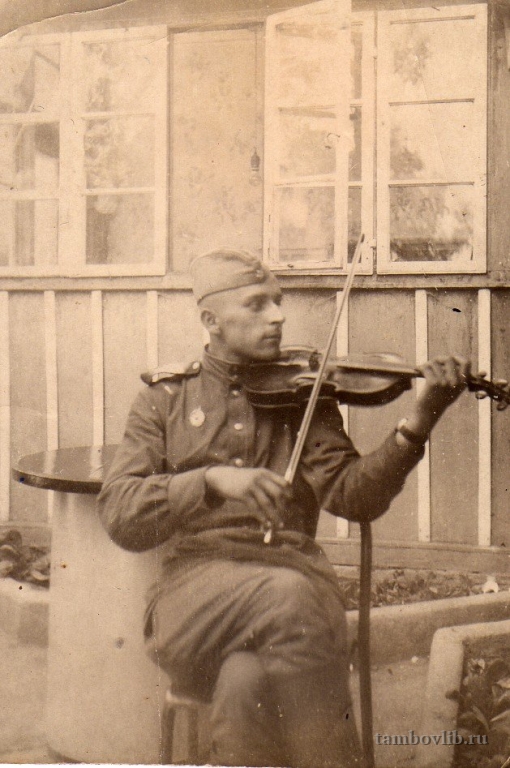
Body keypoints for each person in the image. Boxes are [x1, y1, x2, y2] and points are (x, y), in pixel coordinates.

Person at [97, 248, 470, 768]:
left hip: (292, 595)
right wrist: (210, 481)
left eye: (278, 302)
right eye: (256, 305)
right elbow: (120, 513)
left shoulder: (302, 395)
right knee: (292, 598)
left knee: (245, 681)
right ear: (211, 320)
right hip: (195, 605)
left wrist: (420, 419)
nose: (277, 317)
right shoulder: (165, 399)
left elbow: (355, 498)